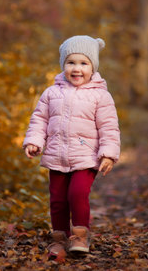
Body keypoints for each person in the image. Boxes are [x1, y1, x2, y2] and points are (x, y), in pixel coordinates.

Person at [23, 35, 120, 259]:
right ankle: (59, 239)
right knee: (57, 199)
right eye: (71, 63)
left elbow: (109, 127)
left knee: (77, 193)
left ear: (93, 67)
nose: (77, 69)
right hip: (57, 156)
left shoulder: (100, 96)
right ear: (63, 65)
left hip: (86, 157)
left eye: (83, 63)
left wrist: (108, 154)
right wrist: (34, 141)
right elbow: (39, 120)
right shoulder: (51, 93)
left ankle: (79, 236)